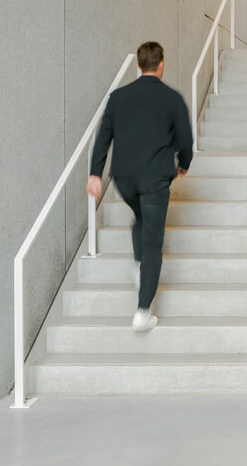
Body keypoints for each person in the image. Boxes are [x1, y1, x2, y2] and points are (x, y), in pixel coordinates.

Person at [86, 41, 193, 332]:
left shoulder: (118, 97)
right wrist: (185, 163)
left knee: (141, 218)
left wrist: (96, 174)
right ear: (161, 64)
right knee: (153, 242)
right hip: (155, 178)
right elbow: (186, 140)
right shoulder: (172, 99)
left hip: (123, 179)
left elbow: (103, 136)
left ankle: (137, 267)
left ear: (138, 65)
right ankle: (143, 312)